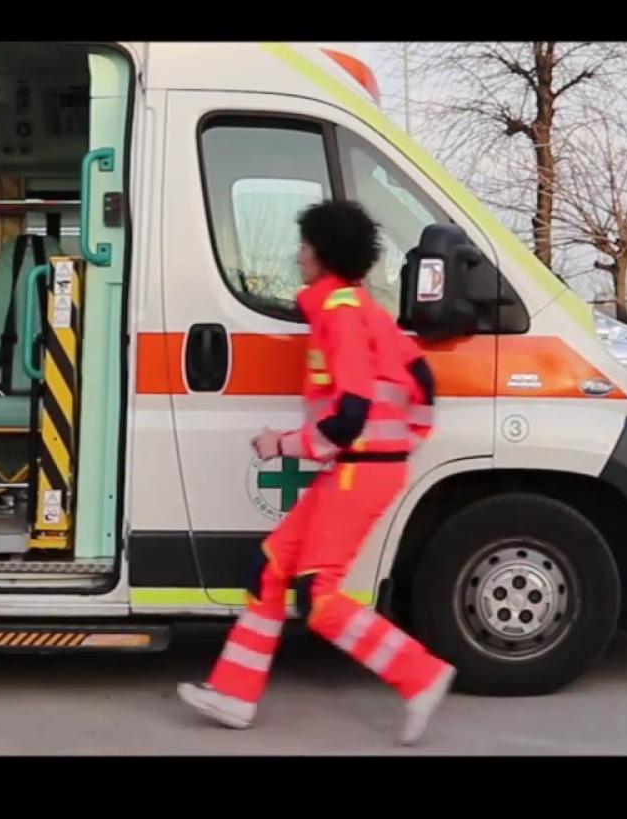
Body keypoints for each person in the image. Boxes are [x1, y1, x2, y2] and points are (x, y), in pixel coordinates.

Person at [177, 199, 456, 746]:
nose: (298, 254)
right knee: (273, 569)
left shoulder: (339, 313)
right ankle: (233, 695)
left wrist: (282, 445)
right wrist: (403, 440)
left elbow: (350, 412)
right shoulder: (366, 308)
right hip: (362, 467)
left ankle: (420, 674)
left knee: (317, 597)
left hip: (358, 469)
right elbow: (422, 380)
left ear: (323, 252)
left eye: (305, 245)